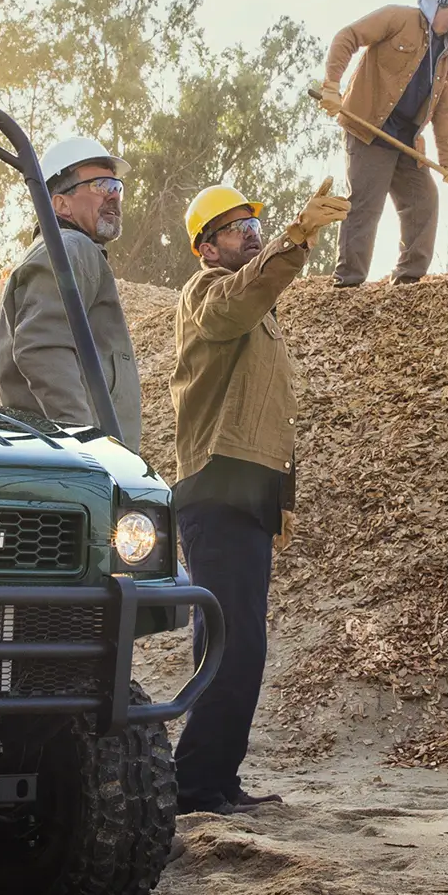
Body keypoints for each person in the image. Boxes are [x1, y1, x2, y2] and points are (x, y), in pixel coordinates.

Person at [168, 176, 346, 814]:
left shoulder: (258, 316)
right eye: (236, 228)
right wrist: (296, 238)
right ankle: (194, 783)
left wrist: (281, 497)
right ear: (206, 248)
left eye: (255, 225)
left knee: (242, 643)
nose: (251, 234)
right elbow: (241, 299)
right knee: (228, 642)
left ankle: (217, 780)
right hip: (215, 489)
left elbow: (271, 415)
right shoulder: (208, 295)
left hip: (245, 490)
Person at [316, 0, 448, 286]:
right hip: (369, 130)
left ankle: (408, 281)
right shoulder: (398, 18)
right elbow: (348, 36)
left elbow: (443, 111)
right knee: (366, 206)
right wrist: (331, 86)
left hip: (407, 141)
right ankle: (347, 284)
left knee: (423, 202)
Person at [0, 133, 144, 453]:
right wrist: (83, 443)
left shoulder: (65, 251)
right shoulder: (70, 248)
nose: (113, 196)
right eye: (101, 186)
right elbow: (41, 346)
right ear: (60, 204)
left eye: (117, 188)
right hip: (82, 456)